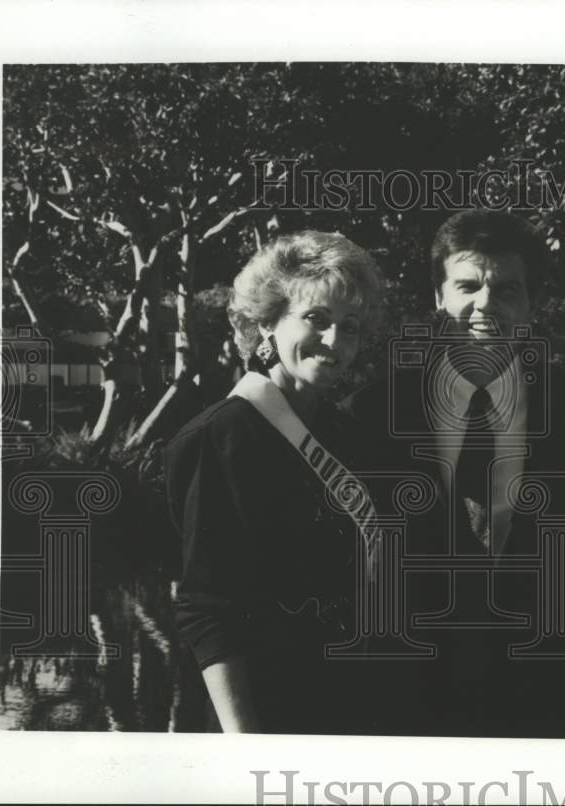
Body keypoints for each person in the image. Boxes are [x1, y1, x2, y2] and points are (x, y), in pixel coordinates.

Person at [345, 210, 565, 738]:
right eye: (468, 286)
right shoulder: (370, 416)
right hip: (407, 712)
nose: (485, 306)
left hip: (553, 711)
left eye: (507, 290)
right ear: (439, 296)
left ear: (531, 302)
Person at [166, 230, 383, 733]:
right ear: (267, 322)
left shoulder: (346, 434)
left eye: (350, 327)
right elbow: (206, 609)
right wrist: (249, 751)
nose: (335, 341)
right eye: (317, 319)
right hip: (267, 715)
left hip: (352, 705)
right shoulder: (220, 438)